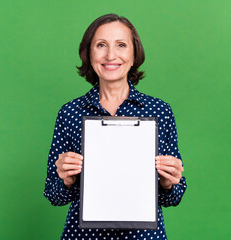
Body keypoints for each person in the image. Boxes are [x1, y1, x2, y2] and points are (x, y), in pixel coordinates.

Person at [43, 13, 187, 239]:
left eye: (121, 45)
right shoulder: (70, 113)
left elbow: (174, 197)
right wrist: (66, 179)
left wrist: (169, 183)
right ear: (89, 53)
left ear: (134, 53)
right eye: (101, 45)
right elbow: (53, 195)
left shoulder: (160, 112)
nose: (111, 55)